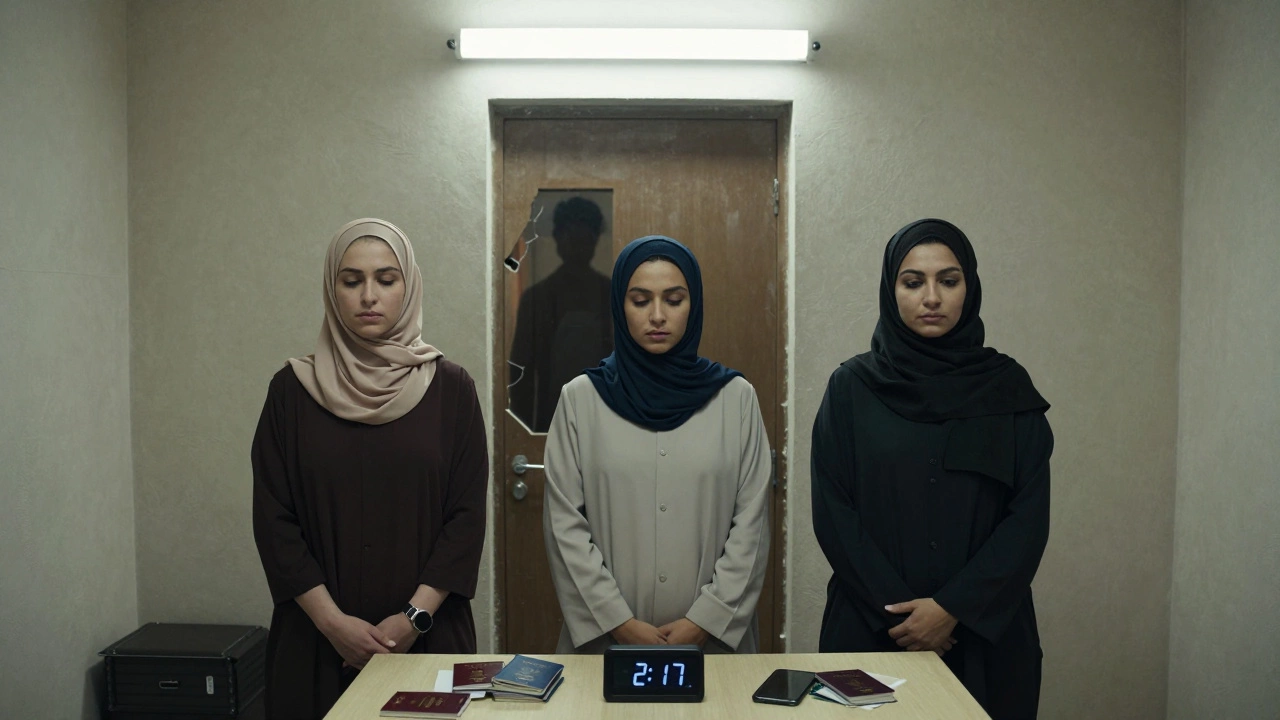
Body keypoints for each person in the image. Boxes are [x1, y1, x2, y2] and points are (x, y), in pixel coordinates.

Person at [811, 219, 1052, 719]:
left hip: (986, 634)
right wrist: (905, 616)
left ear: (970, 287)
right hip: (871, 628)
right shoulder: (852, 388)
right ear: (890, 290)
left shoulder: (1007, 389)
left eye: (949, 280)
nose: (932, 297)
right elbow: (834, 511)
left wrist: (951, 611)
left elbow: (1028, 519)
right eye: (912, 281)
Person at [252, 218, 488, 717]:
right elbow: (275, 521)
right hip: (315, 644)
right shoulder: (290, 392)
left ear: (410, 285)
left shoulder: (452, 390)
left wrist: (412, 619)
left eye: (386, 279)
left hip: (427, 639)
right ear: (331, 289)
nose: (368, 296)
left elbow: (465, 520)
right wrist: (334, 625)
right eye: (351, 280)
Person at [542, 235, 772, 654]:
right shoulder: (581, 399)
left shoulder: (736, 398)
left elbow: (752, 524)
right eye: (640, 300)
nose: (658, 315)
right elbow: (565, 526)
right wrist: (619, 621)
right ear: (619, 306)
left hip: (713, 644)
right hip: (604, 643)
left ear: (694, 305)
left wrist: (706, 619)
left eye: (674, 299)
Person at [508, 196, 613, 432]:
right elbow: (520, 375)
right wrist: (526, 432)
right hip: (550, 421)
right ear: (557, 238)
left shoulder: (611, 294)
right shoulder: (536, 298)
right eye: (570, 236)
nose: (577, 244)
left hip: (606, 417)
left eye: (584, 236)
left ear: (595, 239)